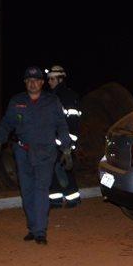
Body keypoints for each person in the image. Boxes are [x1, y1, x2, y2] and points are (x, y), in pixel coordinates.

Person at [0, 67, 72, 245]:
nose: (32, 83)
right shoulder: (17, 101)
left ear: (42, 83)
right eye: (29, 80)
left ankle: (40, 231)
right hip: (22, 152)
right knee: (26, 191)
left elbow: (62, 125)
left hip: (45, 152)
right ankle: (33, 227)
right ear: (25, 82)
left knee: (41, 190)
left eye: (36, 80)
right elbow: (6, 124)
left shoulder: (52, 101)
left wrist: (66, 149)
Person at [45, 65, 82, 208]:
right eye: (49, 79)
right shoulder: (51, 97)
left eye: (52, 79)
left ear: (60, 79)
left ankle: (72, 199)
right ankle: (56, 200)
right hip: (52, 142)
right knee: (54, 171)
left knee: (63, 170)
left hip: (63, 142)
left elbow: (73, 122)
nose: (49, 82)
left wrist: (68, 146)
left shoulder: (68, 96)